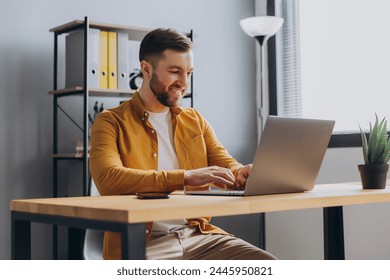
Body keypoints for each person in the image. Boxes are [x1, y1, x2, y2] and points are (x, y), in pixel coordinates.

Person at [90, 28, 276, 260]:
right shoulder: (110, 121)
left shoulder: (195, 120)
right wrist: (185, 177)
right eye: (175, 72)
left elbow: (226, 164)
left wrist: (241, 173)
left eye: (189, 72)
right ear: (146, 69)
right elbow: (109, 179)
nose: (184, 83)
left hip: (198, 235)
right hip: (144, 243)